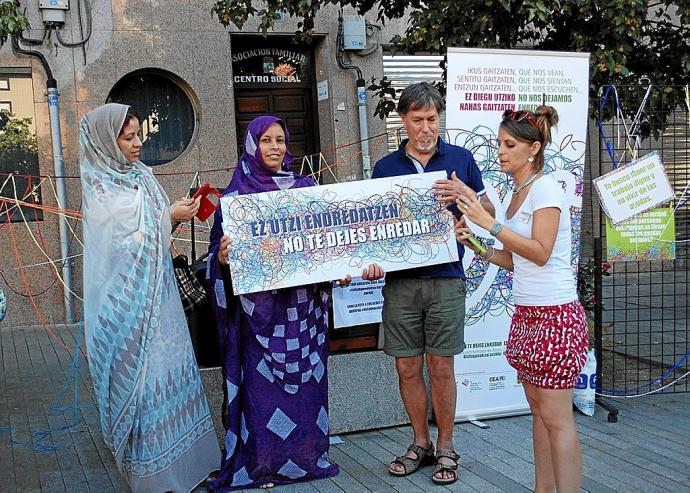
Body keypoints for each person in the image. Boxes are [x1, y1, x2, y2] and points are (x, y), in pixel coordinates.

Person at [207, 115, 383, 491]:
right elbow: (214, 256)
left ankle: (306, 458)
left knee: (307, 393)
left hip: (305, 314)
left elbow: (329, 241)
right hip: (259, 318)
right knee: (262, 395)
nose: (275, 147)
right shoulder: (236, 198)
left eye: (281, 140)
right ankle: (262, 464)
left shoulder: (306, 189)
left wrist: (343, 266)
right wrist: (221, 259)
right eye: (267, 140)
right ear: (252, 145)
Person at [80, 103, 220, 492]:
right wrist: (168, 216)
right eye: (128, 137)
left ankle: (185, 467)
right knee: (141, 390)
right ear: (108, 143)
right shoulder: (102, 187)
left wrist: (175, 213)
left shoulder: (141, 175)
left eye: (139, 134)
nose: (138, 143)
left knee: (166, 379)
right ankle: (151, 476)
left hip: (160, 305)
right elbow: (124, 249)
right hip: (125, 310)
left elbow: (154, 232)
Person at [455, 106, 588, 493]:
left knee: (557, 419)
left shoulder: (547, 189)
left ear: (533, 149)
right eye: (499, 143)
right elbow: (515, 260)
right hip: (528, 315)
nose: (500, 151)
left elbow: (542, 251)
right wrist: (478, 245)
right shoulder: (519, 191)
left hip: (556, 317)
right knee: (540, 416)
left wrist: (490, 223)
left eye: (508, 144)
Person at [371, 82, 494, 485]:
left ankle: (446, 446)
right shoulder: (385, 168)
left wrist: (465, 196)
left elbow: (489, 211)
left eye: (432, 119)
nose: (426, 127)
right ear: (403, 121)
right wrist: (369, 261)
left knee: (441, 366)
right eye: (417, 119)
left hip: (446, 279)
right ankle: (419, 442)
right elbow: (373, 229)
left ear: (440, 118)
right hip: (401, 283)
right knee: (407, 367)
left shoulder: (461, 158)